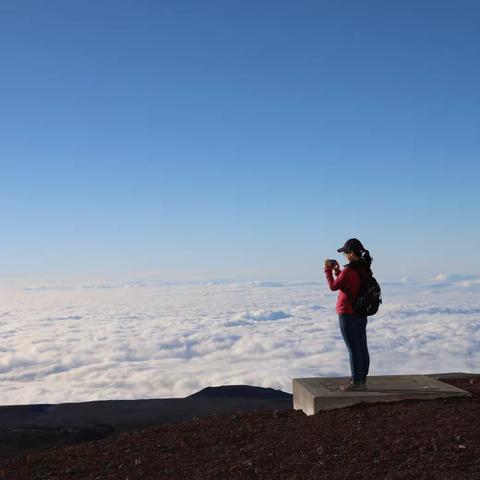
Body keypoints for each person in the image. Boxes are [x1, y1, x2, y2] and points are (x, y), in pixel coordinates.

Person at [324, 238, 373, 392]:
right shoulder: (364, 268)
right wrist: (338, 271)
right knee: (362, 347)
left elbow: (334, 286)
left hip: (347, 313)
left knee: (353, 349)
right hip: (361, 312)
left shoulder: (349, 270)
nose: (344, 255)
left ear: (351, 253)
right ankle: (362, 380)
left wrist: (327, 270)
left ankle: (356, 383)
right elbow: (350, 285)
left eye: (345, 252)